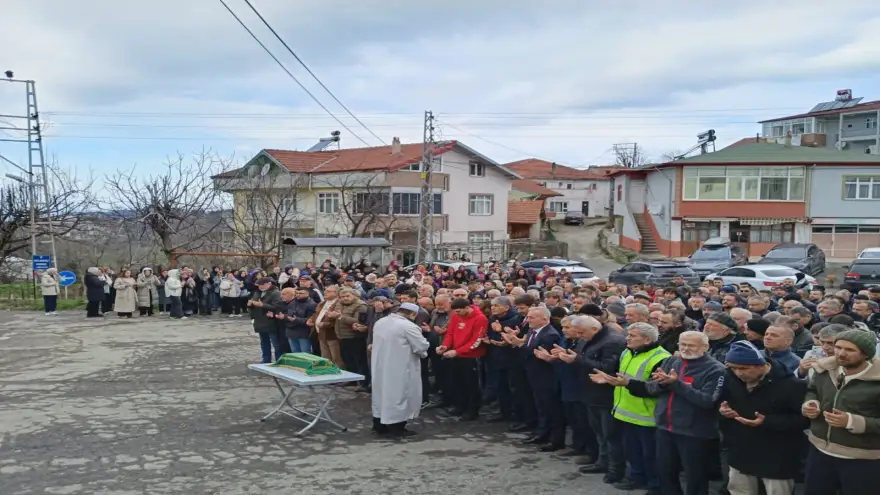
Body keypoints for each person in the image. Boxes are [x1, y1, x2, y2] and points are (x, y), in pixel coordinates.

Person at [614, 330, 725, 495]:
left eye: (691, 345)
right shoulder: (672, 361)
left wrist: (675, 384)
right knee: (666, 472)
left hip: (694, 433)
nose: (686, 348)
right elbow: (652, 387)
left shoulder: (716, 370)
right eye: (683, 344)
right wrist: (660, 383)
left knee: (696, 477)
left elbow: (707, 401)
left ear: (705, 346)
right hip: (665, 428)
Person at [719, 341, 808, 495]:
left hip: (777, 455)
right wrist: (723, 410)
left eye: (744, 368)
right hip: (741, 451)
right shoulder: (731, 378)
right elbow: (722, 401)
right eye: (733, 368)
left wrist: (767, 421)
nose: (739, 373)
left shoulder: (792, 385)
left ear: (761, 365)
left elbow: (804, 420)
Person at [802, 329, 880, 494]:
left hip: (861, 459)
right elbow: (813, 390)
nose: (841, 353)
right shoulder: (824, 370)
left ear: (866, 354)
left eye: (850, 350)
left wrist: (852, 422)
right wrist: (811, 403)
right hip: (820, 451)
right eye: (838, 347)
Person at [370, 302, 430, 438]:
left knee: (381, 394)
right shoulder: (409, 326)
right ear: (413, 314)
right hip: (401, 366)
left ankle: (378, 424)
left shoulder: (381, 322)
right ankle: (397, 427)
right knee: (400, 394)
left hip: (381, 364)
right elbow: (421, 346)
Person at [438, 297, 488, 421]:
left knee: (471, 384)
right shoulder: (455, 315)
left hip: (471, 356)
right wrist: (445, 346)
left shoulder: (480, 318)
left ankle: (472, 410)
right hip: (456, 354)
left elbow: (476, 341)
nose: (457, 314)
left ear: (467, 308)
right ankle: (460, 405)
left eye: (459, 311)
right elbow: (450, 332)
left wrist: (457, 351)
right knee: (458, 382)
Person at [248, 277, 284, 364]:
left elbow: (277, 307)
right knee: (264, 343)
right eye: (259, 285)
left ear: (268, 284)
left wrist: (263, 305)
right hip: (260, 321)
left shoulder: (276, 293)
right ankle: (266, 360)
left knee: (276, 343)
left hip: (270, 321)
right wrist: (250, 305)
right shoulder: (257, 293)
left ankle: (279, 361)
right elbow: (254, 304)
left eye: (262, 285)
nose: (260, 287)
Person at [279, 287, 317, 354]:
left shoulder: (311, 304)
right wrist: (284, 317)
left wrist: (296, 320)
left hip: (303, 332)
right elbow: (289, 314)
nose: (298, 295)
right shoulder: (293, 302)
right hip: (291, 331)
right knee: (295, 353)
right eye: (296, 293)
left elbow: (310, 319)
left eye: (301, 293)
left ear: (307, 294)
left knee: (305, 353)